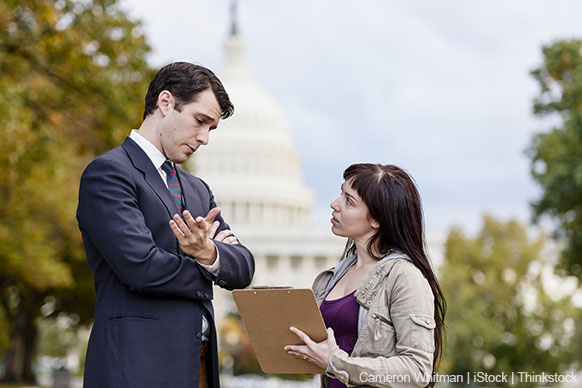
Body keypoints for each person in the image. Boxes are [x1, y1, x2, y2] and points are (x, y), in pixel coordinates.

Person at [76, 62, 255, 388]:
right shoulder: (109, 173)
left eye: (211, 129)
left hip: (198, 368)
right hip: (136, 366)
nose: (203, 139)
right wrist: (211, 260)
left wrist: (207, 252)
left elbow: (243, 267)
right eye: (199, 121)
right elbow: (141, 267)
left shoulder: (198, 189)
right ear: (166, 103)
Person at [285, 163, 446, 388]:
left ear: (376, 219)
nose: (334, 204)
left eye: (349, 201)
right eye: (341, 193)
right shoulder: (331, 277)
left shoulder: (404, 277)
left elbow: (417, 371)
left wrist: (337, 363)